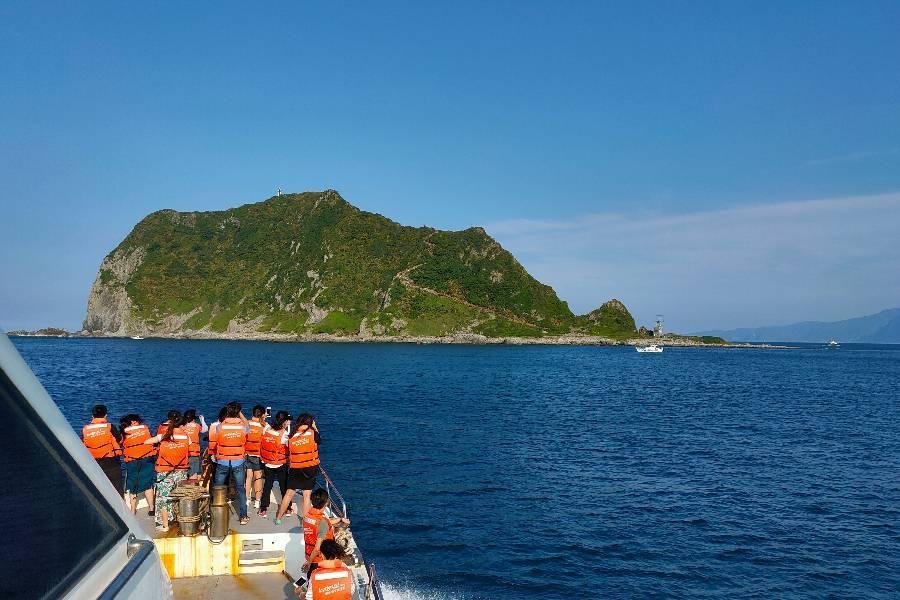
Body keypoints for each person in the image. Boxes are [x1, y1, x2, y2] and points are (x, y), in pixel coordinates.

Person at [142, 410, 190, 531]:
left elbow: (146, 442)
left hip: (164, 471)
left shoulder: (163, 436)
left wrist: (159, 446)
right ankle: (180, 520)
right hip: (180, 471)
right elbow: (188, 445)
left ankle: (165, 525)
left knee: (163, 498)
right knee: (179, 495)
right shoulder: (186, 437)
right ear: (181, 425)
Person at [274, 413, 321, 524]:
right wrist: (314, 427)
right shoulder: (312, 433)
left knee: (289, 493)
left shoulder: (291, 436)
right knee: (306, 495)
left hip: (295, 468)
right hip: (310, 468)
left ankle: (278, 518)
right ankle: (305, 522)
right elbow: (319, 440)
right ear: (310, 423)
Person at [213, 401, 251, 525]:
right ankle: (243, 516)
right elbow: (248, 426)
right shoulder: (242, 427)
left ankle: (215, 515)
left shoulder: (220, 426)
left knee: (218, 487)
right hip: (238, 460)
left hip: (223, 460)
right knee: (240, 488)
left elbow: (218, 432)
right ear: (238, 412)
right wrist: (240, 413)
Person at [82, 404, 124, 496]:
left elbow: (82, 445)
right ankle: (120, 509)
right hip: (111, 462)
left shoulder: (85, 430)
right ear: (105, 415)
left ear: (92, 416)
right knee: (117, 489)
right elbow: (119, 440)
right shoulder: (109, 426)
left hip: (94, 463)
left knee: (98, 489)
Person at [119, 413, 156, 515]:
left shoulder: (123, 432)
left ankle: (133, 510)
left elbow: (121, 443)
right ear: (134, 422)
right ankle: (151, 508)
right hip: (147, 459)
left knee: (132, 485)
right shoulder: (145, 429)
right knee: (148, 484)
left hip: (132, 461)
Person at [258, 410, 290, 518]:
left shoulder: (267, 429)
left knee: (267, 485)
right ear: (285, 421)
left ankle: (263, 508)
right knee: (284, 486)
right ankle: (288, 508)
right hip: (280, 463)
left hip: (267, 462)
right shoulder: (284, 434)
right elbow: (290, 445)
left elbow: (262, 421)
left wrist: (264, 417)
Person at [244, 405, 267, 510]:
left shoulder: (247, 423)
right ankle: (257, 501)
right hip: (258, 455)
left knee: (248, 477)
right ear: (262, 414)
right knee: (258, 477)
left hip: (247, 453)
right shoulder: (264, 426)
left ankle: (247, 499)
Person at [182, 409, 208, 479]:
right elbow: (205, 429)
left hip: (182, 452)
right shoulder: (196, 426)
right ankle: (192, 487)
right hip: (193, 452)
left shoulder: (181, 427)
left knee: (183, 471)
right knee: (193, 473)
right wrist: (202, 420)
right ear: (194, 418)